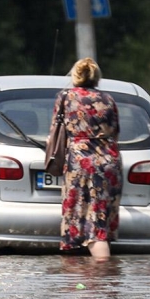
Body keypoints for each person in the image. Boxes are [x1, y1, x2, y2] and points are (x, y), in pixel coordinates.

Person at [49, 57, 122, 260]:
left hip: (81, 163)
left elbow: (55, 131)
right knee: (100, 219)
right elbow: (115, 132)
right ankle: (93, 277)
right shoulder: (108, 99)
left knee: (91, 227)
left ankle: (100, 272)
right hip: (109, 163)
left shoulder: (66, 97)